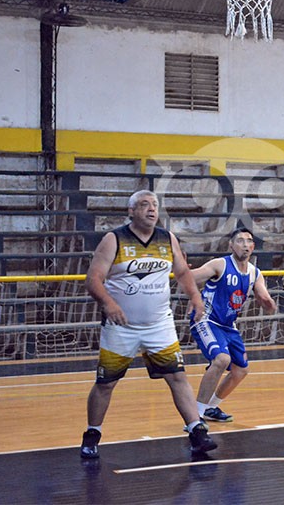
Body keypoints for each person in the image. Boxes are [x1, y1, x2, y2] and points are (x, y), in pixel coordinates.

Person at [80, 190, 216, 458]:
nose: (151, 209)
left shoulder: (167, 239)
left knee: (177, 376)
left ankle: (197, 430)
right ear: (131, 211)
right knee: (106, 383)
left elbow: (182, 272)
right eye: (144, 205)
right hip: (121, 327)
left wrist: (196, 298)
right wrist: (109, 302)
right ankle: (92, 432)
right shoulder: (114, 239)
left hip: (159, 324)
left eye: (154, 205)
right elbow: (93, 279)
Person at [189, 227, 277, 422]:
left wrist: (268, 303)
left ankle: (211, 408)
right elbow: (190, 278)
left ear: (253, 247)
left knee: (241, 370)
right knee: (221, 359)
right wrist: (193, 294)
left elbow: (265, 299)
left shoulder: (255, 273)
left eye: (249, 241)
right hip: (207, 320)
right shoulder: (220, 264)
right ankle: (195, 416)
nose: (245, 245)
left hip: (229, 326)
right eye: (240, 241)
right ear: (231, 245)